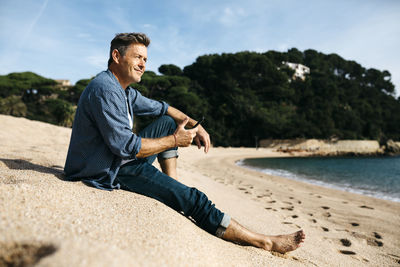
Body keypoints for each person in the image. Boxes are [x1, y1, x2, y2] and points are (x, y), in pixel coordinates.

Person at [64, 32, 305, 253]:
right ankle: (264, 241)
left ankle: (171, 185)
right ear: (117, 56)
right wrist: (174, 140)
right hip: (108, 169)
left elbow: (163, 108)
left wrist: (194, 125)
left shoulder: (124, 90)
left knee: (168, 121)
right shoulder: (105, 89)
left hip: (116, 159)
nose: (143, 65)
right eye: (138, 57)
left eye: (146, 60)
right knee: (194, 199)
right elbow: (126, 147)